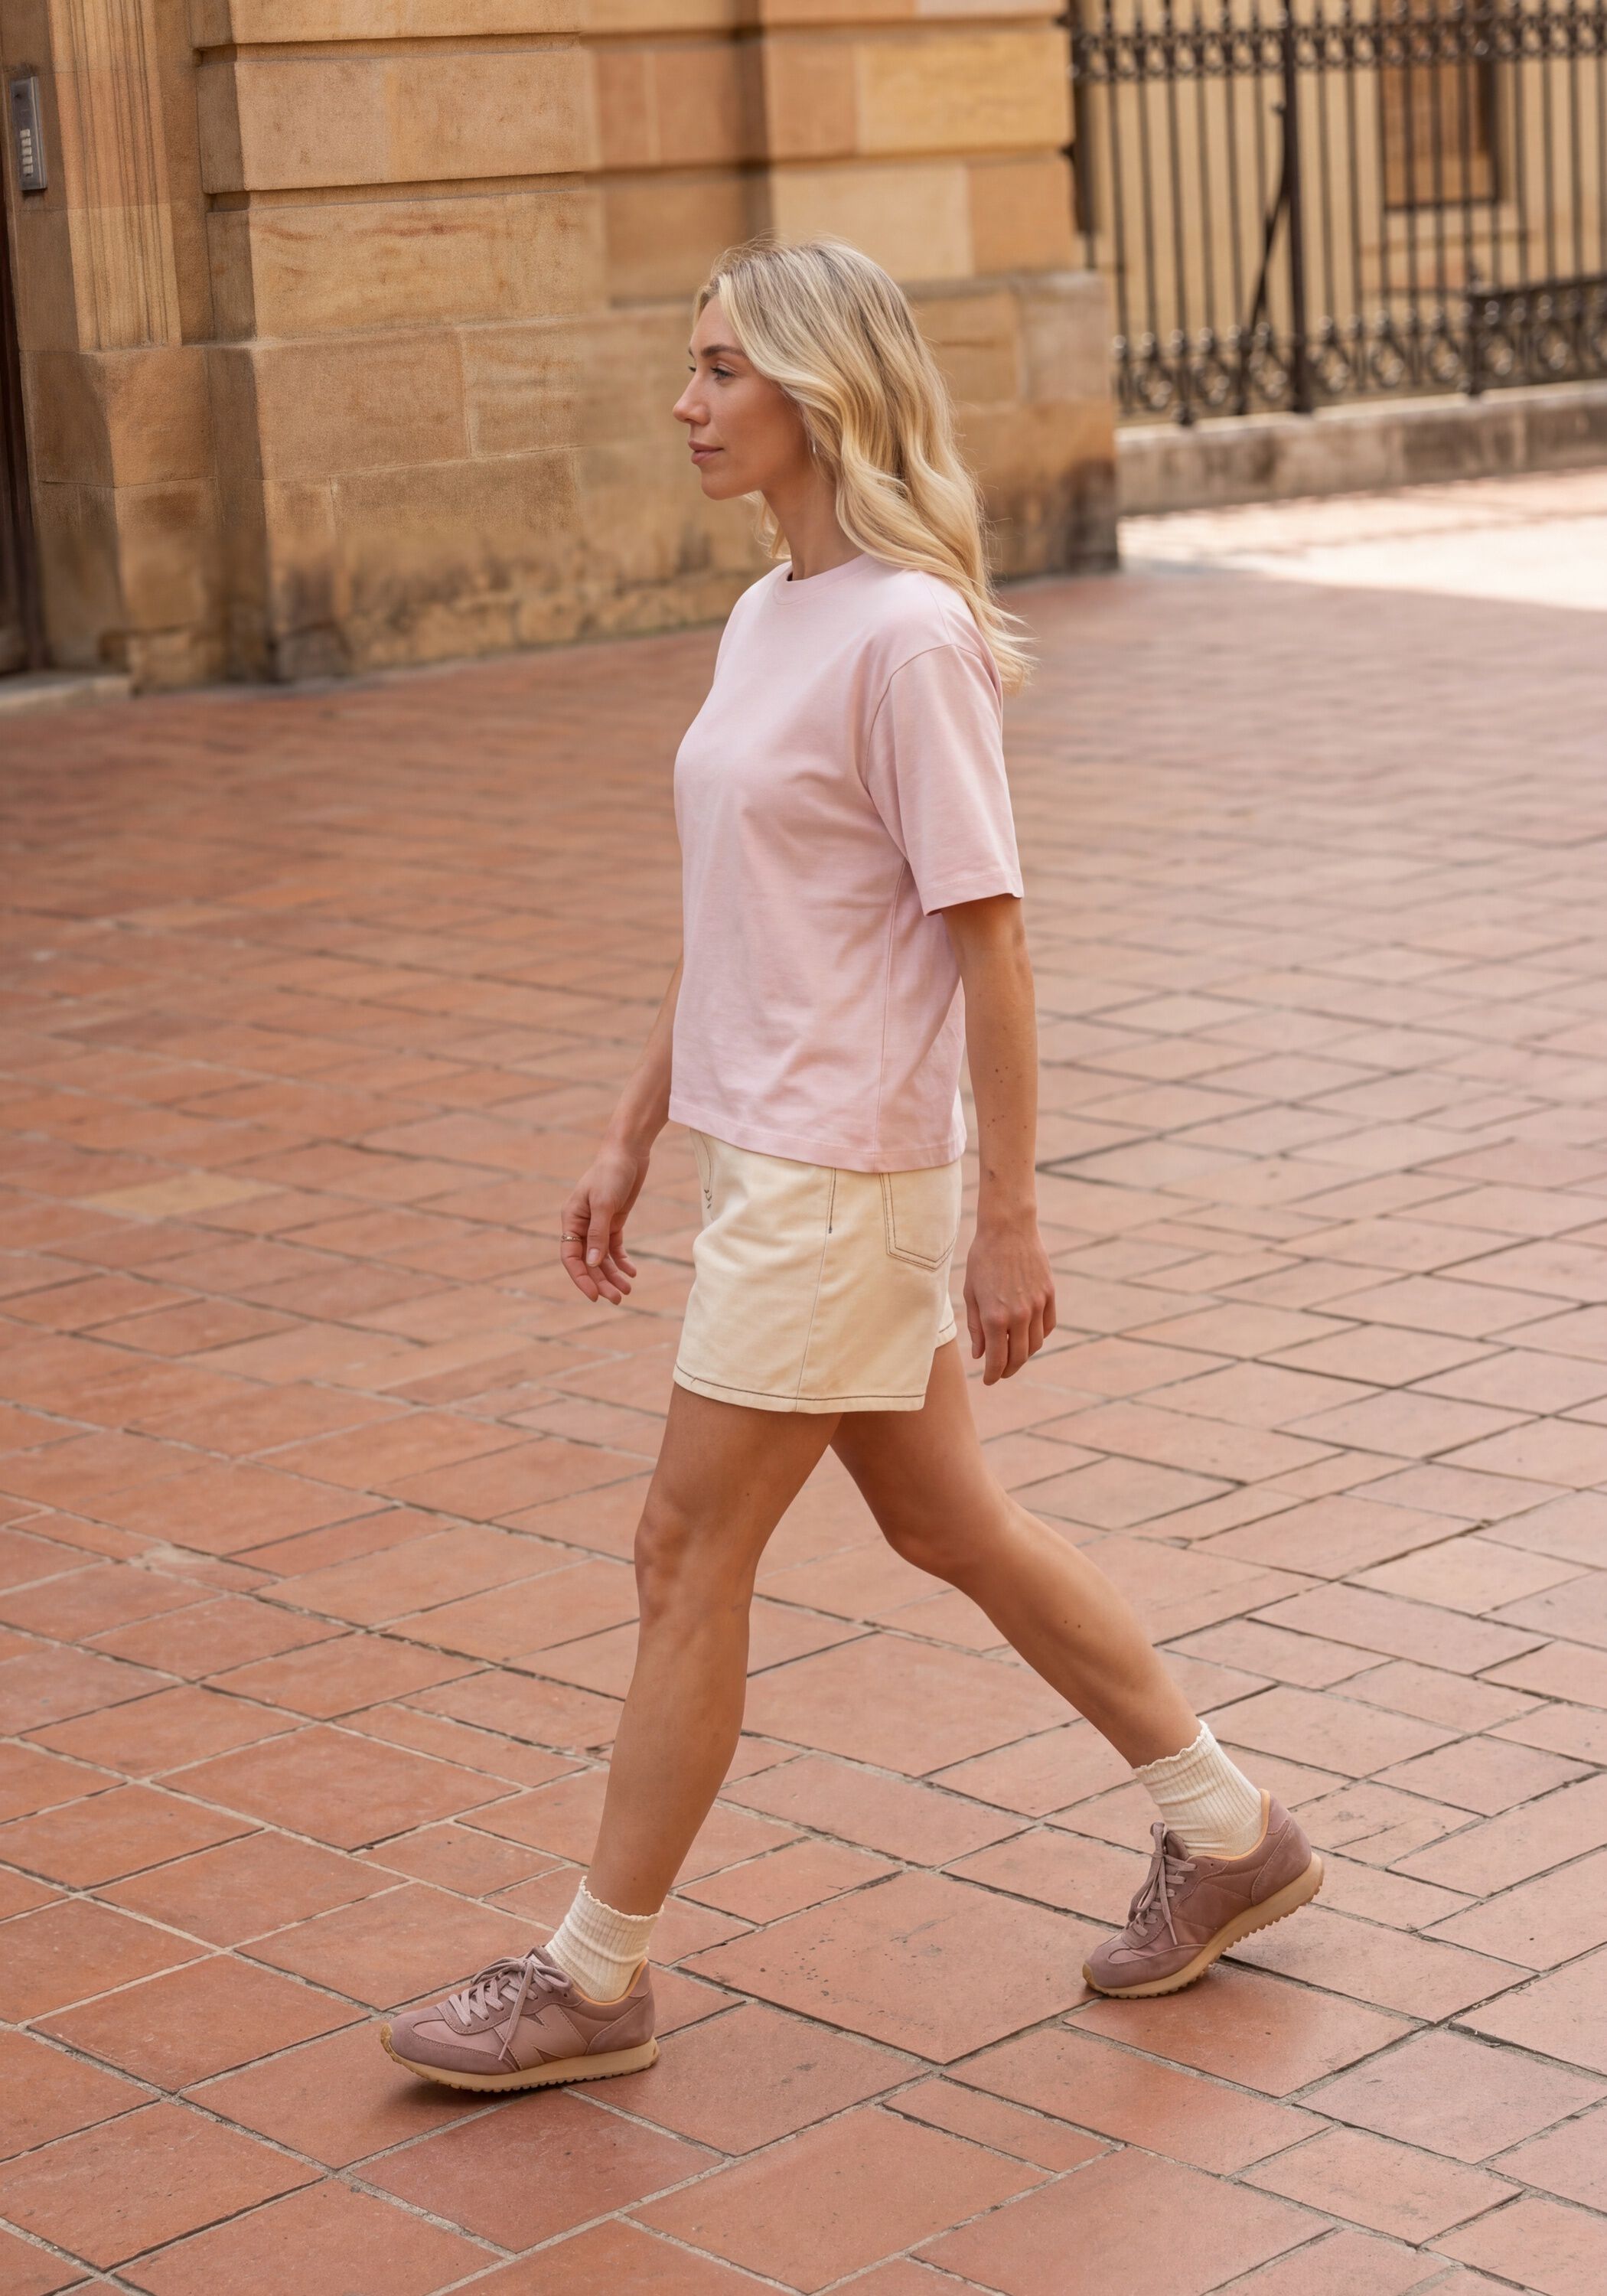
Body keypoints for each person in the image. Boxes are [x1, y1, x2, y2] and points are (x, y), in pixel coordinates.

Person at [380, 236, 1322, 2095]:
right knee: (950, 1524)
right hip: (768, 1158)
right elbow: (744, 915)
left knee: (682, 1549)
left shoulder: (907, 636)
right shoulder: (770, 614)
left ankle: (596, 1976)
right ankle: (1230, 1833)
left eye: (723, 368)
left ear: (824, 393)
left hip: (839, 1181)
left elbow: (993, 937)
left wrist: (1010, 1215)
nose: (687, 402)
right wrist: (635, 1124)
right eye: (694, 365)